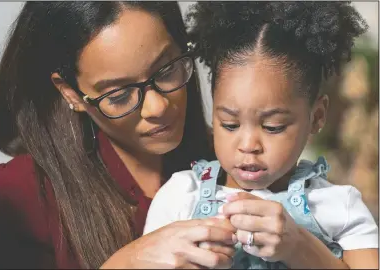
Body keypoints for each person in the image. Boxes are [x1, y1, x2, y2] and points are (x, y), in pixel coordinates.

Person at [0, 2, 238, 269]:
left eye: (167, 70)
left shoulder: (236, 159)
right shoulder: (23, 195)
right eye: (119, 95)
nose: (158, 107)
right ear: (70, 93)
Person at [144, 2, 379, 269]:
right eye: (230, 124)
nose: (248, 145)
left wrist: (299, 247)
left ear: (316, 117)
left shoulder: (340, 207)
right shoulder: (179, 197)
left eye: (273, 127)